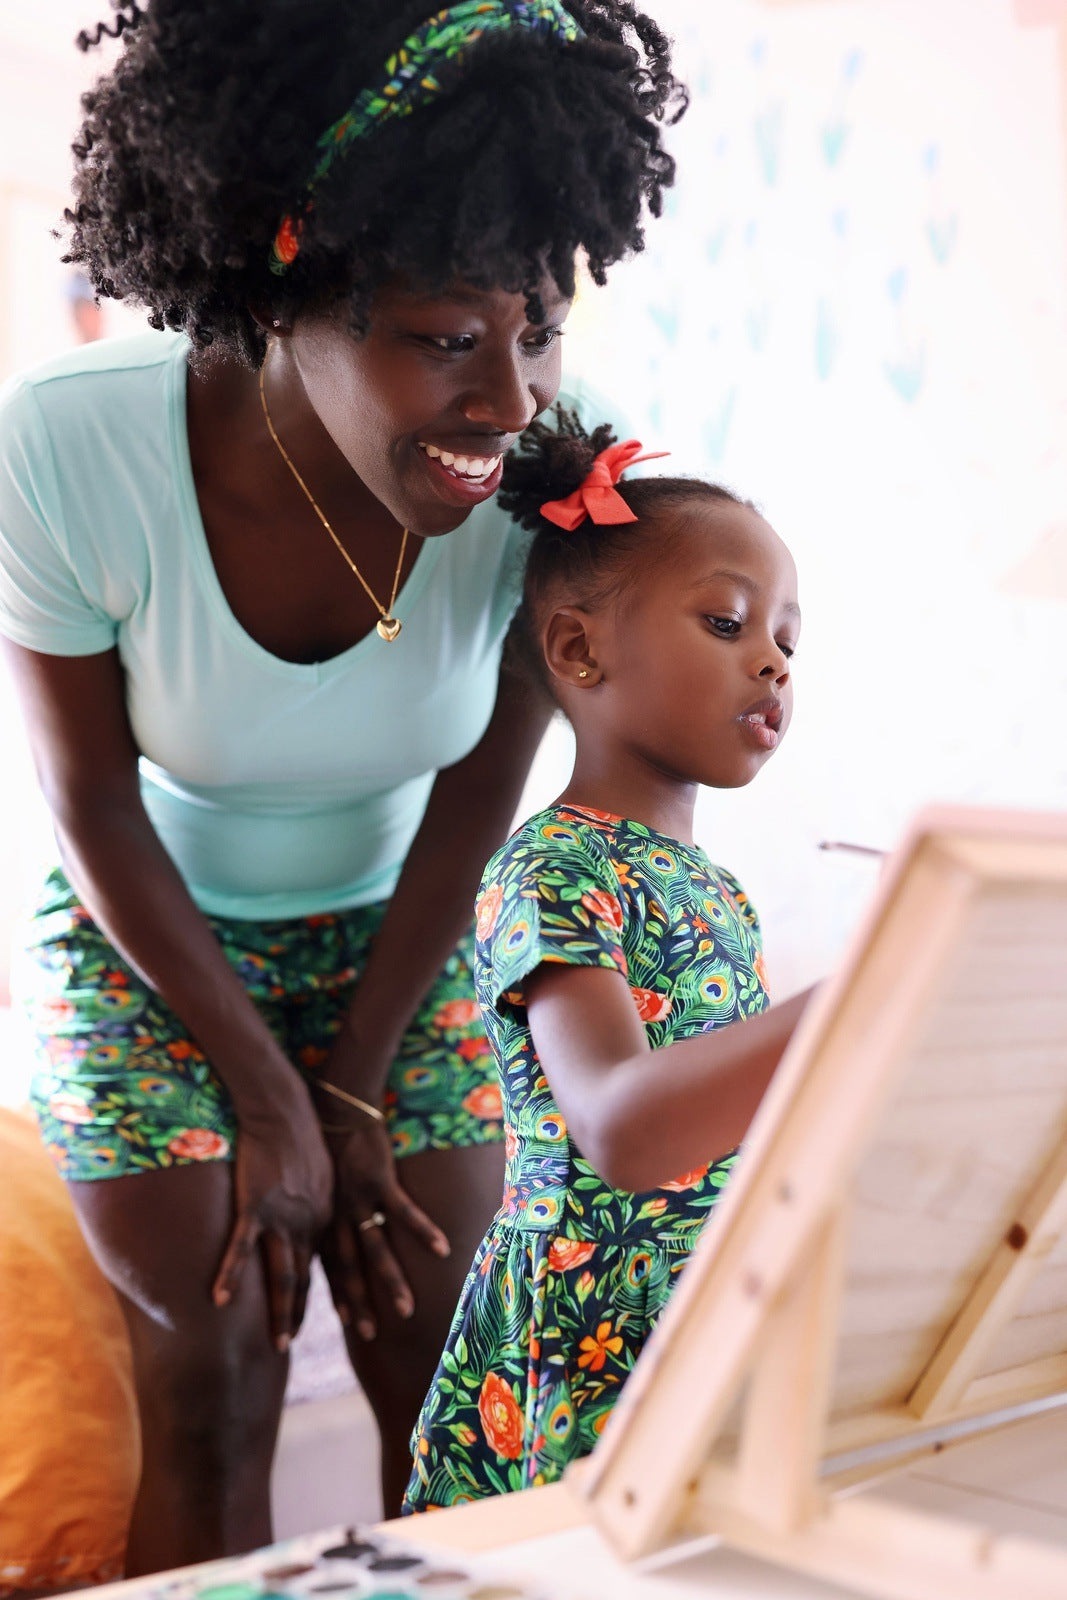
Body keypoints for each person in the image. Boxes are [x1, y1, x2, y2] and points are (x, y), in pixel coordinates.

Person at [0, 0, 688, 1569]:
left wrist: (357, 1076)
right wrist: (267, 1098)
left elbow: (475, 801)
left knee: (453, 1359)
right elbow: (93, 805)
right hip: (149, 938)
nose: (509, 399)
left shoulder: (541, 494)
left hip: (400, 930)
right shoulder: (63, 448)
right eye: (446, 339)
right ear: (277, 288)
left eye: (537, 327)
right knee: (216, 1361)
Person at [403, 408, 813, 1510]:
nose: (770, 658)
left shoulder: (715, 890)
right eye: (726, 620)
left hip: (697, 1319)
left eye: (787, 637)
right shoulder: (548, 869)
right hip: (579, 1346)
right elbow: (626, 1126)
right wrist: (846, 1006)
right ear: (579, 649)